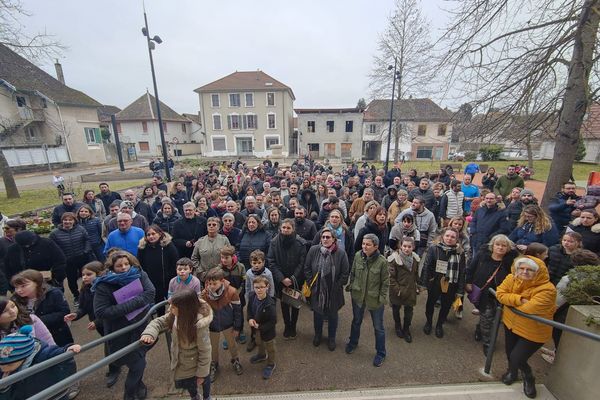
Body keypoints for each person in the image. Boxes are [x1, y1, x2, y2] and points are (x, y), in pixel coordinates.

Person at [93, 251, 156, 400]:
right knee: (137, 364)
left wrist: (130, 304)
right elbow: (101, 312)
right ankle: (129, 394)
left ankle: (137, 386)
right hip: (120, 331)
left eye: (126, 264)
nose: (124, 268)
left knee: (139, 358)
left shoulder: (139, 273)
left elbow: (150, 293)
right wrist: (134, 303)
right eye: (119, 265)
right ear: (112, 267)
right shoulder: (104, 284)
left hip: (140, 326)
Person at [496, 256, 556, 399]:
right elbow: (500, 294)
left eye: (529, 270)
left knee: (517, 357)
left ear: (537, 272)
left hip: (534, 331)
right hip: (511, 323)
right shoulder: (512, 277)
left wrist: (511, 300)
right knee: (510, 353)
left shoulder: (548, 289)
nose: (524, 272)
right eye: (521, 268)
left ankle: (529, 377)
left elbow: (529, 308)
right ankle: (512, 372)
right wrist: (519, 299)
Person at [141, 289, 213, 400]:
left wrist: (202, 373)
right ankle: (195, 396)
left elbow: (205, 351)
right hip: (184, 363)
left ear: (185, 309)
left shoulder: (199, 326)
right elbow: (159, 322)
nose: (169, 309)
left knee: (204, 382)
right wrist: (150, 333)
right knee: (190, 384)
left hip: (196, 362)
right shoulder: (175, 315)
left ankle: (207, 397)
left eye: (173, 307)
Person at [63, 261, 122, 387]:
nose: (84, 277)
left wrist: (97, 321)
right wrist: (76, 315)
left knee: (110, 344)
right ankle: (118, 362)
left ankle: (114, 369)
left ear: (99, 274)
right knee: (111, 343)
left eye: (89, 274)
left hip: (110, 323)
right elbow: (84, 307)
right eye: (83, 275)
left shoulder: (106, 288)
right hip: (98, 325)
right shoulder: (85, 289)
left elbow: (112, 309)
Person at [466, 234, 518, 354]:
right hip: (483, 293)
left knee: (490, 317)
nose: (500, 248)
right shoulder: (482, 255)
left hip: (501, 295)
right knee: (488, 317)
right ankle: (488, 342)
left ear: (508, 248)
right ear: (492, 246)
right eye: (497, 245)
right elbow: (471, 268)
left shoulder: (510, 262)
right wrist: (468, 282)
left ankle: (479, 329)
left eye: (503, 245)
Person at [0, 325, 81, 400]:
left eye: (9, 364)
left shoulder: (44, 355)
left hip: (55, 395)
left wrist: (67, 350)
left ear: (24, 356)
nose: (4, 368)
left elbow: (58, 354)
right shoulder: (6, 371)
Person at [346, 233, 389, 367]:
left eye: (368, 244)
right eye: (363, 244)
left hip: (374, 300)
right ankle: (353, 343)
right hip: (358, 296)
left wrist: (381, 299)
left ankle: (381, 353)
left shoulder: (382, 262)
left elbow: (385, 282)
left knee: (378, 327)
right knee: (356, 321)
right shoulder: (358, 256)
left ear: (375, 246)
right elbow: (352, 273)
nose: (364, 246)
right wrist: (352, 287)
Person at [305, 227, 350, 352]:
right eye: (323, 237)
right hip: (317, 290)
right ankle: (318, 335)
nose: (325, 239)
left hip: (333, 291)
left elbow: (345, 273)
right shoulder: (314, 250)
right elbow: (307, 268)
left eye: (328, 237)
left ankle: (331, 338)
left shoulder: (341, 253)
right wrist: (312, 284)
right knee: (318, 315)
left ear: (334, 239)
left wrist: (336, 286)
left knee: (333, 315)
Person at [421, 227, 466, 339]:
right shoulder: (434, 248)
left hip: (451, 284)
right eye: (447, 236)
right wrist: (424, 283)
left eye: (452, 237)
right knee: (430, 304)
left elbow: (462, 272)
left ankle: (439, 325)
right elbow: (426, 266)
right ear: (442, 236)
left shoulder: (460, 253)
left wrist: (460, 290)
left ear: (457, 240)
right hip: (435, 282)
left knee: (445, 306)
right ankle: (429, 322)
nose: (449, 239)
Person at [200, 268, 243, 382]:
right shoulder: (204, 295)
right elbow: (202, 312)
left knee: (232, 344)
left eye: (215, 283)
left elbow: (238, 311)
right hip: (212, 326)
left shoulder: (232, 292)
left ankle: (235, 360)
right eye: (209, 283)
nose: (211, 286)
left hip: (228, 324)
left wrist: (237, 327)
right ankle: (214, 364)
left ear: (222, 281)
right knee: (212, 347)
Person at [11, 269, 74, 346]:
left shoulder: (53, 293)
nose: (19, 290)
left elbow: (64, 312)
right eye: (16, 287)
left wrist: (37, 321)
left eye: (23, 286)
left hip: (57, 334)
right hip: (30, 339)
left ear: (37, 283)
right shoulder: (14, 300)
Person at [268, 220, 306, 340]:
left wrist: (293, 277)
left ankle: (293, 326)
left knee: (295, 303)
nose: (285, 230)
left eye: (288, 228)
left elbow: (302, 262)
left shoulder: (300, 243)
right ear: (280, 228)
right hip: (281, 279)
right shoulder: (274, 242)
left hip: (296, 279)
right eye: (283, 227)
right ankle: (287, 325)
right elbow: (271, 261)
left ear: (293, 229)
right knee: (284, 304)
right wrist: (282, 278)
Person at [49, 212, 93, 303]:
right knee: (71, 279)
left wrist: (86, 251)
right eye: (65, 220)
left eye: (70, 220)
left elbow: (87, 240)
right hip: (67, 260)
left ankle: (89, 292)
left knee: (87, 276)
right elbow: (52, 247)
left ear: (74, 221)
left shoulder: (81, 229)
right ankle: (76, 295)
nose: (67, 222)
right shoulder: (55, 233)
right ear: (62, 221)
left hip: (82, 257)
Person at [137, 225, 179, 314]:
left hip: (168, 280)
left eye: (153, 234)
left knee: (173, 303)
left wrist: (171, 275)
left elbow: (175, 261)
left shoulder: (168, 245)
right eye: (148, 235)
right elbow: (140, 264)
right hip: (153, 281)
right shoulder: (142, 248)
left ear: (160, 234)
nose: (151, 236)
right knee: (159, 304)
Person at [388, 237, 420, 343]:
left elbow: (416, 274)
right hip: (397, 290)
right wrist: (398, 289)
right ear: (400, 246)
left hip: (410, 289)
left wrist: (418, 286)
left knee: (409, 310)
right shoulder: (394, 259)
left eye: (409, 247)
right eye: (404, 246)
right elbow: (391, 278)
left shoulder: (416, 259)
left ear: (413, 247)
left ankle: (406, 329)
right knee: (396, 309)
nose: (406, 249)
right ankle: (398, 326)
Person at [247, 275, 278, 379]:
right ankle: (261, 355)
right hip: (256, 328)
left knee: (270, 348)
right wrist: (250, 318)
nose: (259, 290)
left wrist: (260, 326)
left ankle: (271, 364)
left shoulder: (270, 304)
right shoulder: (252, 296)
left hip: (268, 332)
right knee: (259, 342)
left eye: (261, 287)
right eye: (256, 287)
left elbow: (273, 321)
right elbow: (249, 310)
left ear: (267, 287)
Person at [192, 218, 231, 282]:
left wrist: (219, 267)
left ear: (218, 227)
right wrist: (200, 270)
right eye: (209, 225)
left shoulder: (224, 239)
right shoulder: (200, 241)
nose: (211, 226)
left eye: (214, 225)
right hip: (203, 275)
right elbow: (194, 258)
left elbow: (229, 255)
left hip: (220, 274)